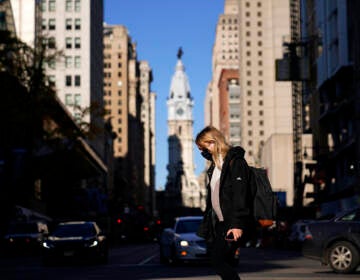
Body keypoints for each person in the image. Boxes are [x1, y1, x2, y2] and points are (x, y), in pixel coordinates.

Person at [195, 126, 255, 280]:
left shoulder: (235, 162)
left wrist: (236, 224)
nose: (203, 151)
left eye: (205, 146)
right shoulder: (215, 166)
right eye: (200, 148)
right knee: (223, 260)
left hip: (233, 221)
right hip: (221, 222)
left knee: (218, 260)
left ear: (214, 142)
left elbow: (240, 194)